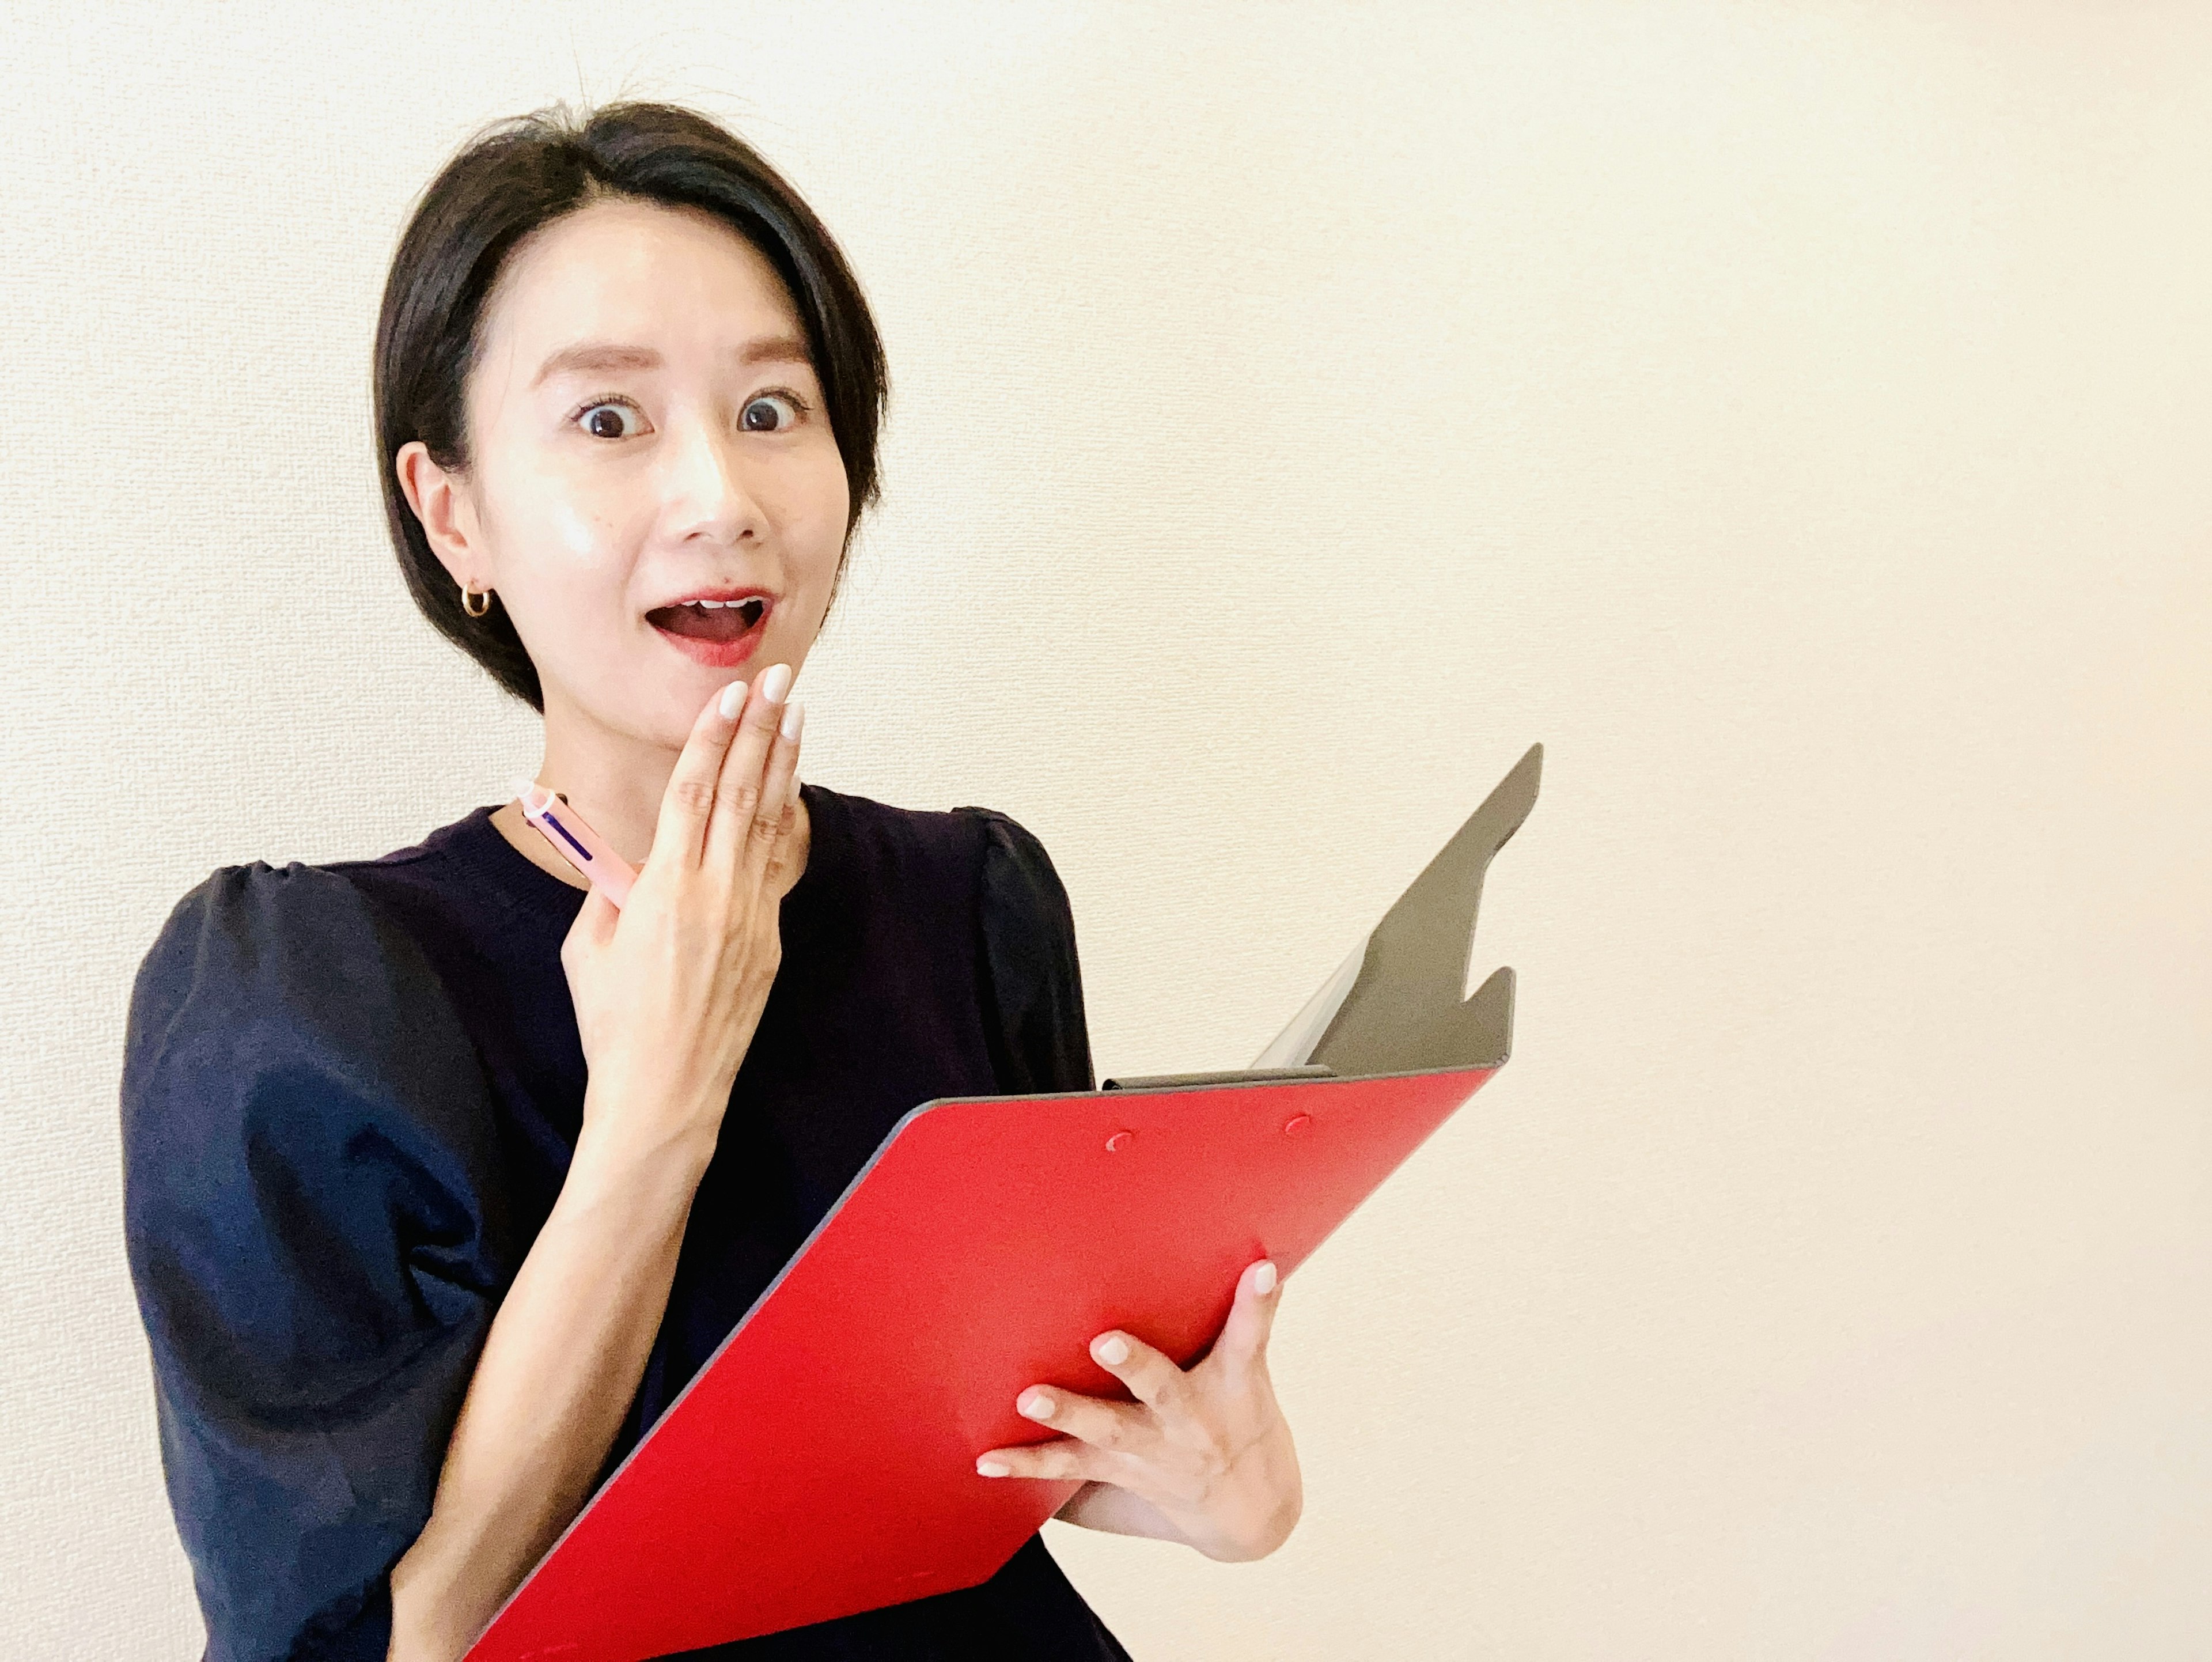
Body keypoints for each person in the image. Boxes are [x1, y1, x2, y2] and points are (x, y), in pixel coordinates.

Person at [119, 101, 1302, 1662]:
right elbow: (400, 1637)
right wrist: (655, 1114)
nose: (722, 496)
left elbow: (992, 1453)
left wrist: (1215, 1489)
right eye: (609, 421)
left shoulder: (975, 901)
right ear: (452, 508)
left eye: (772, 407)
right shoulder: (302, 1001)